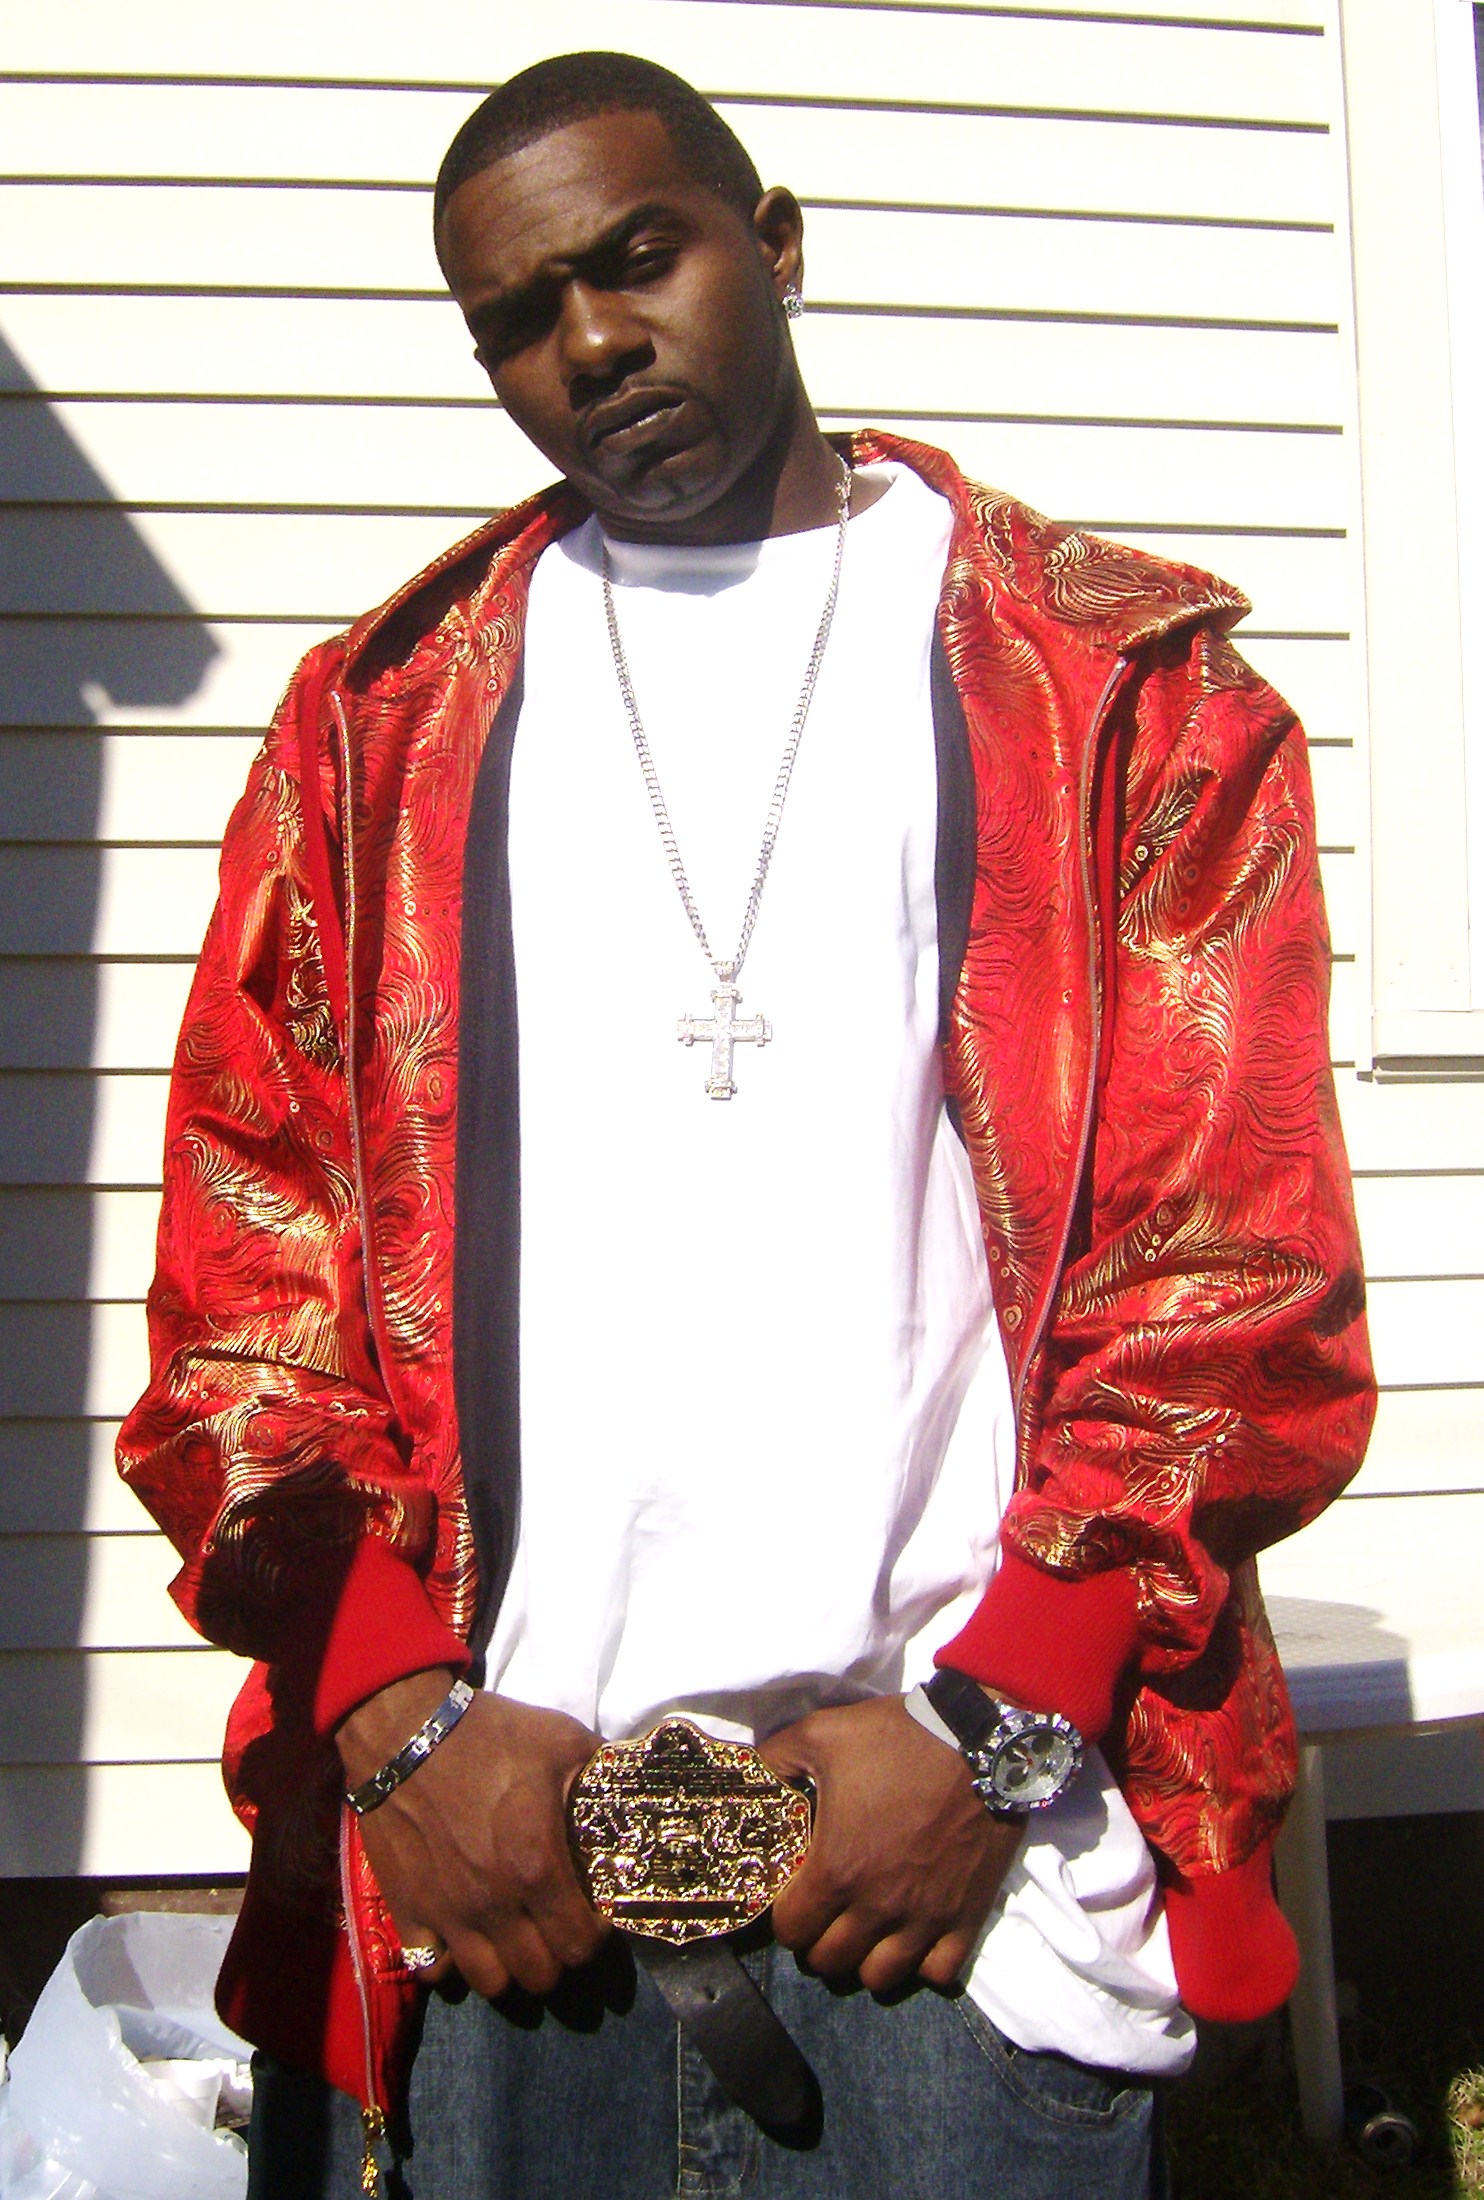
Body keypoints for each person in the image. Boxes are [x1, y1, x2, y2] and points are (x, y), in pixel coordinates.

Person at [118, 49, 1376, 2200]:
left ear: (772, 245)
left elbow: (1230, 1283)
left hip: (953, 1870)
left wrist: (995, 1726)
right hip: (500, 1865)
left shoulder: (1114, 696)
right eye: (519, 317)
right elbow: (249, 1286)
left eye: (640, 257)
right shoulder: (377, 732)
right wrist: (395, 1720)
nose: (593, 341)